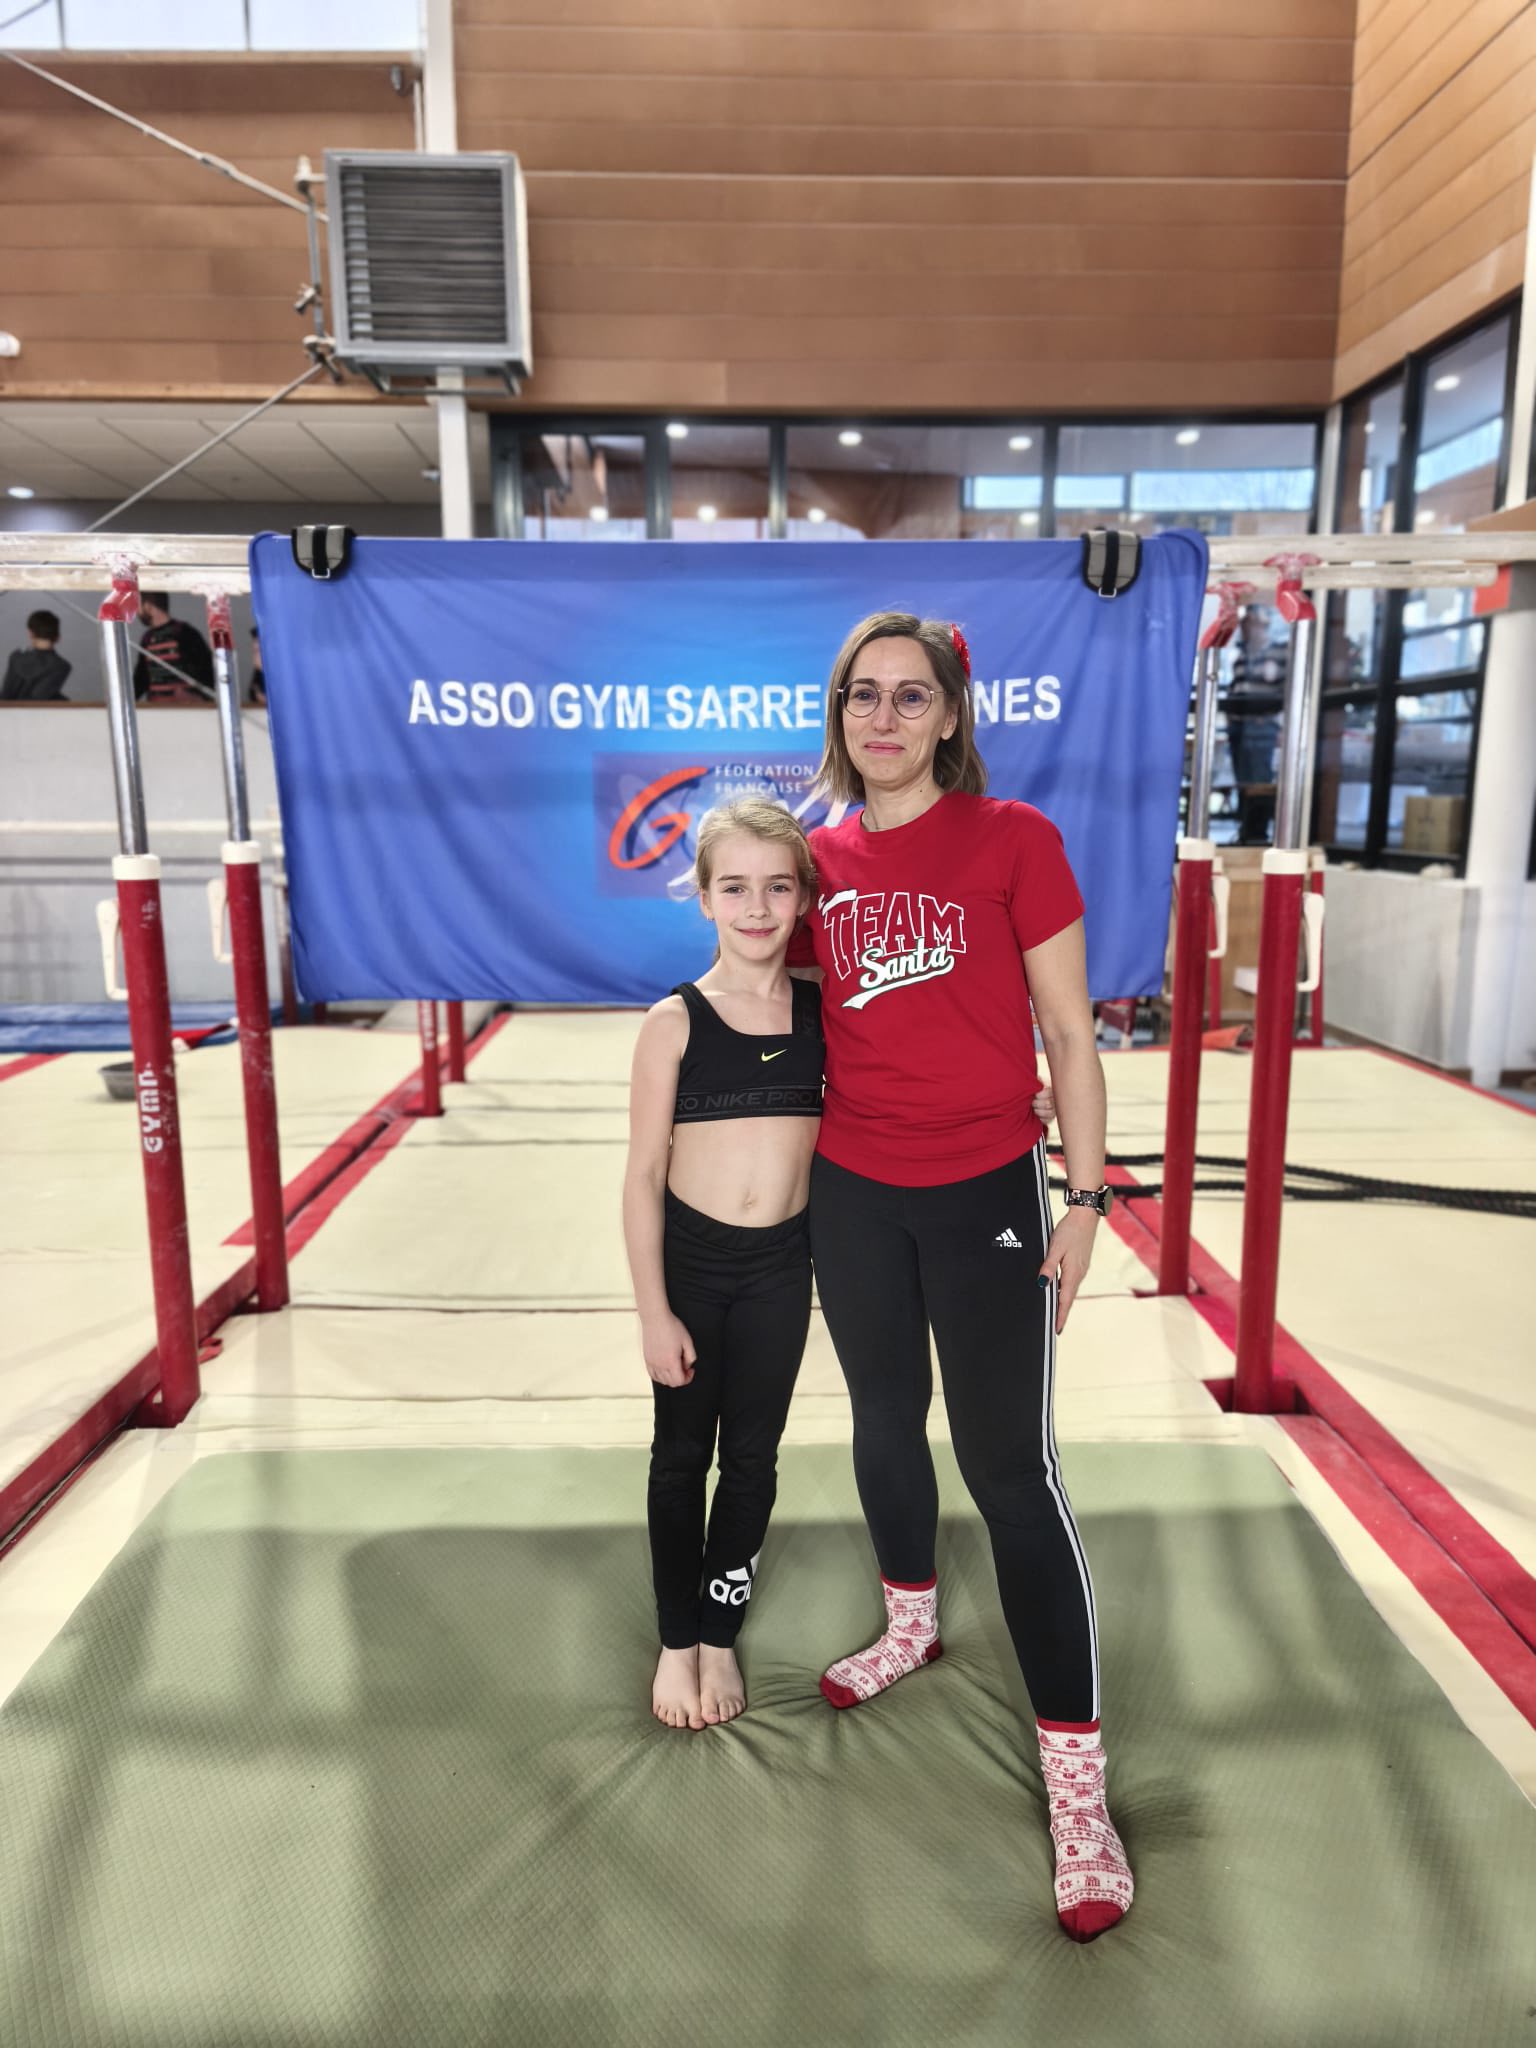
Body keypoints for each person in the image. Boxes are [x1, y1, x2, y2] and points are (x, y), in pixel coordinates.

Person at [790, 611, 1132, 1945]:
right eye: (862, 696)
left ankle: (1079, 1793)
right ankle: (911, 1623)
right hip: (852, 1190)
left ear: (948, 715)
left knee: (1010, 1469)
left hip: (987, 1188)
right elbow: (770, 1019)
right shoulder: (817, 860)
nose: (884, 717)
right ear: (841, 715)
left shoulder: (1013, 840)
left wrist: (1087, 1199)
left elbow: (1070, 1033)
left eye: (909, 696)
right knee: (883, 1418)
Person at [622, 797, 824, 1733]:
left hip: (782, 1268)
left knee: (751, 1459)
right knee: (680, 1458)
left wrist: (1014, 1098)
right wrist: (653, 1311)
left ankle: (719, 1629)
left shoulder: (823, 1011)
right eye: (734, 888)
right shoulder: (674, 1022)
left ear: (803, 897)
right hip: (694, 1269)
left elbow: (913, 1080)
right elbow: (642, 1176)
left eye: (777, 887)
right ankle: (676, 1639)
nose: (757, 907)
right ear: (703, 898)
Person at [1225, 603, 1284, 842]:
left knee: (1259, 782)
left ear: (1262, 625)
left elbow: (1285, 692)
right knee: (1243, 782)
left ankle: (1257, 833)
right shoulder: (1241, 657)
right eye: (1243, 624)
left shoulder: (1277, 653)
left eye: (1249, 623)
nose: (1245, 629)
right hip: (1239, 727)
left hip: (1262, 727)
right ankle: (1246, 830)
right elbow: (1235, 689)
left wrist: (1279, 724)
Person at [132, 593, 214, 705]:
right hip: (156, 709)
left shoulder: (184, 632)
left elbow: (206, 669)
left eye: (138, 606)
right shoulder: (147, 639)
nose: (137, 612)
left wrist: (201, 698)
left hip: (184, 708)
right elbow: (141, 679)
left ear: (148, 606)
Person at [2, 610, 71, 700]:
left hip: (8, 708)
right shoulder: (61, 666)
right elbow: (39, 699)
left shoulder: (16, 658)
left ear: (30, 633)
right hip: (37, 709)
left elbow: (6, 694)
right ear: (57, 637)